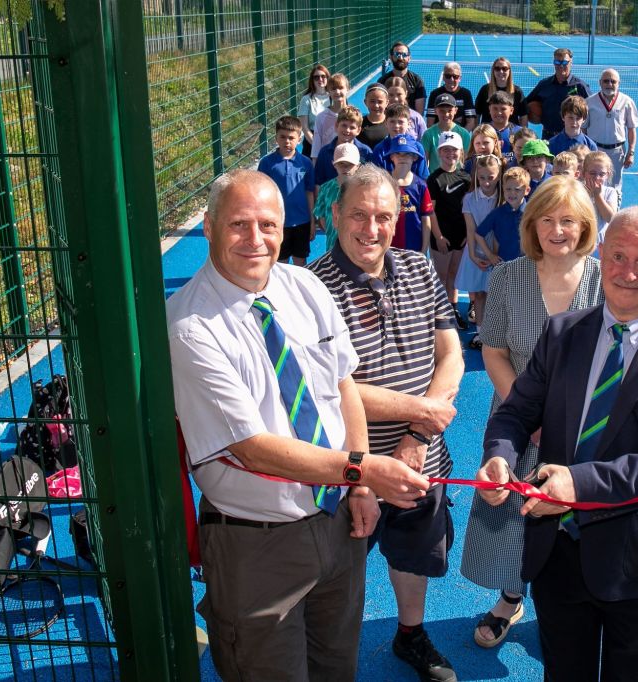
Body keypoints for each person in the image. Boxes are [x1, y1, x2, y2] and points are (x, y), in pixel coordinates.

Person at [167, 168, 430, 681]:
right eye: (238, 224)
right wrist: (366, 472)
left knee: (337, 668)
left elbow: (342, 386)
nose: (255, 239)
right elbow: (252, 448)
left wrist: (357, 491)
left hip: (337, 526)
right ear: (208, 226)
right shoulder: (190, 326)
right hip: (258, 545)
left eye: (268, 224)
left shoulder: (303, 285)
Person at [475, 205, 638, 681]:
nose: (627, 272)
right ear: (601, 256)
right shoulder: (563, 332)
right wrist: (498, 458)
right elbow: (516, 412)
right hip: (558, 556)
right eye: (617, 256)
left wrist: (577, 484)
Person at [308, 164, 464, 682]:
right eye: (358, 215)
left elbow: (451, 354)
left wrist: (417, 439)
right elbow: (333, 388)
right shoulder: (310, 288)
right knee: (333, 574)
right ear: (334, 214)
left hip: (422, 460)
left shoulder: (419, 268)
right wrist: (420, 414)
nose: (371, 229)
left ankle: (410, 634)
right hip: (349, 469)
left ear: (397, 219)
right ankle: (325, 657)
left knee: (413, 554)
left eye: (383, 217)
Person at [461, 175, 603, 650]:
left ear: (585, 225)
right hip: (518, 421)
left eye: (568, 220)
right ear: (532, 225)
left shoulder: (606, 282)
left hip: (587, 426)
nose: (557, 230)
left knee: (574, 521)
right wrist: (531, 417)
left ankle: (566, 603)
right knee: (514, 513)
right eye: (547, 219)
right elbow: (495, 351)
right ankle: (510, 597)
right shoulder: (507, 277)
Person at [456, 153, 503, 350]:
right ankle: (481, 333)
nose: (485, 182)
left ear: (499, 175)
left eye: (490, 177)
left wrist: (494, 254)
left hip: (498, 252)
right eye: (482, 177)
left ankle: (496, 333)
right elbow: (471, 229)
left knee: (496, 295)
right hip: (476, 251)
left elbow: (502, 230)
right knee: (480, 296)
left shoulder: (503, 197)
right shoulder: (469, 198)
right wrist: (475, 255)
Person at [427, 132, 472, 329]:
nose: (450, 153)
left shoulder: (466, 178)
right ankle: (439, 312)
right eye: (445, 149)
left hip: (460, 235)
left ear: (460, 152)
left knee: (453, 274)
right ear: (439, 152)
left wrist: (466, 235)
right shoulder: (434, 179)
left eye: (454, 150)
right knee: (441, 275)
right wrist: (438, 236)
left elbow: (468, 209)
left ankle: (452, 308)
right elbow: (431, 212)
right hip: (441, 236)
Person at [257, 116, 315, 265]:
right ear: (276, 137)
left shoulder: (306, 163)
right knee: (280, 261)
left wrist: (312, 222)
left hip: (302, 222)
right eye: (282, 137)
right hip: (277, 222)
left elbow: (309, 193)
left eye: (291, 138)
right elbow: (261, 196)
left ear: (299, 139)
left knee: (300, 261)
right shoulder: (267, 163)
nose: (287, 141)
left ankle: (298, 288)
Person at [585, 68, 638, 200]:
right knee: (592, 183)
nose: (609, 84)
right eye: (606, 81)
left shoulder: (627, 102)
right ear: (600, 82)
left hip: (617, 151)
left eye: (613, 81)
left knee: (615, 187)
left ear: (618, 83)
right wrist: (586, 150)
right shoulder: (589, 102)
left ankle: (613, 216)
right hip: (595, 150)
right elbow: (584, 128)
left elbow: (631, 129)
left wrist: (631, 152)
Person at [526, 48, 589, 140]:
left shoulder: (580, 86)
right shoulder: (544, 84)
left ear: (571, 62)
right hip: (548, 136)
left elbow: (591, 109)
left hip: (571, 137)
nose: (561, 66)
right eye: (557, 62)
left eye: (564, 62)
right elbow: (526, 103)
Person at [473, 166, 531, 265]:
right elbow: (478, 234)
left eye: (517, 190)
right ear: (503, 188)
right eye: (508, 189)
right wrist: (490, 255)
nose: (512, 193)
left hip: (526, 266)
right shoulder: (497, 213)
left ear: (527, 190)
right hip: (502, 266)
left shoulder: (532, 214)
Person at [387, 134, 434, 253]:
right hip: (388, 248)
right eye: (398, 153)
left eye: (407, 154)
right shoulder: (384, 183)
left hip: (414, 249)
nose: (402, 158)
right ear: (392, 156)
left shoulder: (421, 186)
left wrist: (424, 250)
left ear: (414, 157)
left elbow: (426, 219)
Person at [312, 142, 360, 252]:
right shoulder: (325, 188)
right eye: (341, 164)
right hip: (333, 245)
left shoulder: (363, 190)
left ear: (358, 165)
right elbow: (321, 216)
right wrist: (331, 231)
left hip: (356, 245)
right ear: (334, 164)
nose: (345, 168)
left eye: (349, 164)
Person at [314, 105, 373, 190]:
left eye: (352, 127)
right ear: (336, 126)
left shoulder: (366, 152)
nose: (347, 130)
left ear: (358, 130)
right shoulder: (325, 152)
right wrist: (320, 202)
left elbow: (370, 181)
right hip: (330, 200)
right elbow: (318, 183)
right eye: (344, 125)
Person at [373, 102, 431, 179]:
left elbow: (423, 177)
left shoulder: (417, 147)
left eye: (400, 122)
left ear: (409, 123)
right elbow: (377, 178)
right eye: (392, 121)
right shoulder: (380, 149)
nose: (396, 126)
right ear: (386, 123)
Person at [422, 93, 472, 173]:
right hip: (436, 180)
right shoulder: (428, 134)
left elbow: (465, 160)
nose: (446, 114)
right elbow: (424, 161)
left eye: (449, 110)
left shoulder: (464, 134)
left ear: (455, 110)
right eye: (442, 111)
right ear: (435, 111)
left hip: (457, 180)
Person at [474, 56, 528, 126]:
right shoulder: (485, 90)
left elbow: (523, 117)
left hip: (511, 134)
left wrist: (522, 135)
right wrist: (476, 133)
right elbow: (477, 114)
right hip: (488, 133)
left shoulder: (517, 92)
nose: (501, 71)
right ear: (493, 71)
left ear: (509, 71)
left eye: (504, 69)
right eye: (497, 69)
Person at [378, 41, 426, 114]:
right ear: (391, 57)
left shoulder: (417, 81)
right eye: (397, 54)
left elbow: (419, 112)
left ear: (409, 58)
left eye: (404, 55)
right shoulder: (382, 81)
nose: (400, 58)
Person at [426, 62, 477, 130]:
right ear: (443, 77)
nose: (451, 79)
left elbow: (471, 122)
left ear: (460, 78)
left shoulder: (466, 94)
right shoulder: (435, 94)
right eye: (448, 76)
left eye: (455, 76)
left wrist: (461, 137)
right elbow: (430, 122)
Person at [582, 151, 618, 245]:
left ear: (608, 175)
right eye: (592, 173)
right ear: (584, 173)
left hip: (600, 241)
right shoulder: (578, 190)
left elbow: (610, 218)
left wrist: (597, 195)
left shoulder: (610, 192)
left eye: (601, 174)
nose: (597, 177)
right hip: (581, 238)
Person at [311, 72, 350, 161]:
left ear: (347, 89)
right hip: (328, 162)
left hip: (348, 162)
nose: (337, 92)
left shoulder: (354, 115)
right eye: (333, 89)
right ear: (328, 91)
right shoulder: (321, 117)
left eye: (341, 88)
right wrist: (315, 166)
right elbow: (316, 145)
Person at [298, 64, 331, 158]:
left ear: (328, 78)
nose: (320, 79)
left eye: (323, 76)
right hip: (312, 142)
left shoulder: (333, 97)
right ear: (312, 81)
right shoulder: (306, 99)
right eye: (316, 77)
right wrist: (317, 145)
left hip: (331, 139)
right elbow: (305, 127)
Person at [485, 91, 522, 167]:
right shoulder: (482, 132)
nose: (499, 113)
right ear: (489, 109)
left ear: (511, 110)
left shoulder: (520, 132)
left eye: (503, 109)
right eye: (495, 108)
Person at [358, 83, 391, 148]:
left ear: (387, 103)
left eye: (380, 102)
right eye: (372, 101)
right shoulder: (358, 123)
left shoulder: (392, 123)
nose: (376, 105)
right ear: (365, 102)